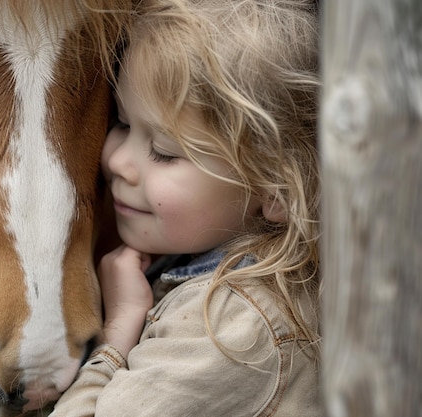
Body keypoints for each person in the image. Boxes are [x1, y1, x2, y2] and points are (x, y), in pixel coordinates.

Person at [50, 0, 321, 415]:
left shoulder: (229, 331)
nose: (119, 161)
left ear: (275, 190)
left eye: (163, 151)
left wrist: (119, 329)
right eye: (122, 123)